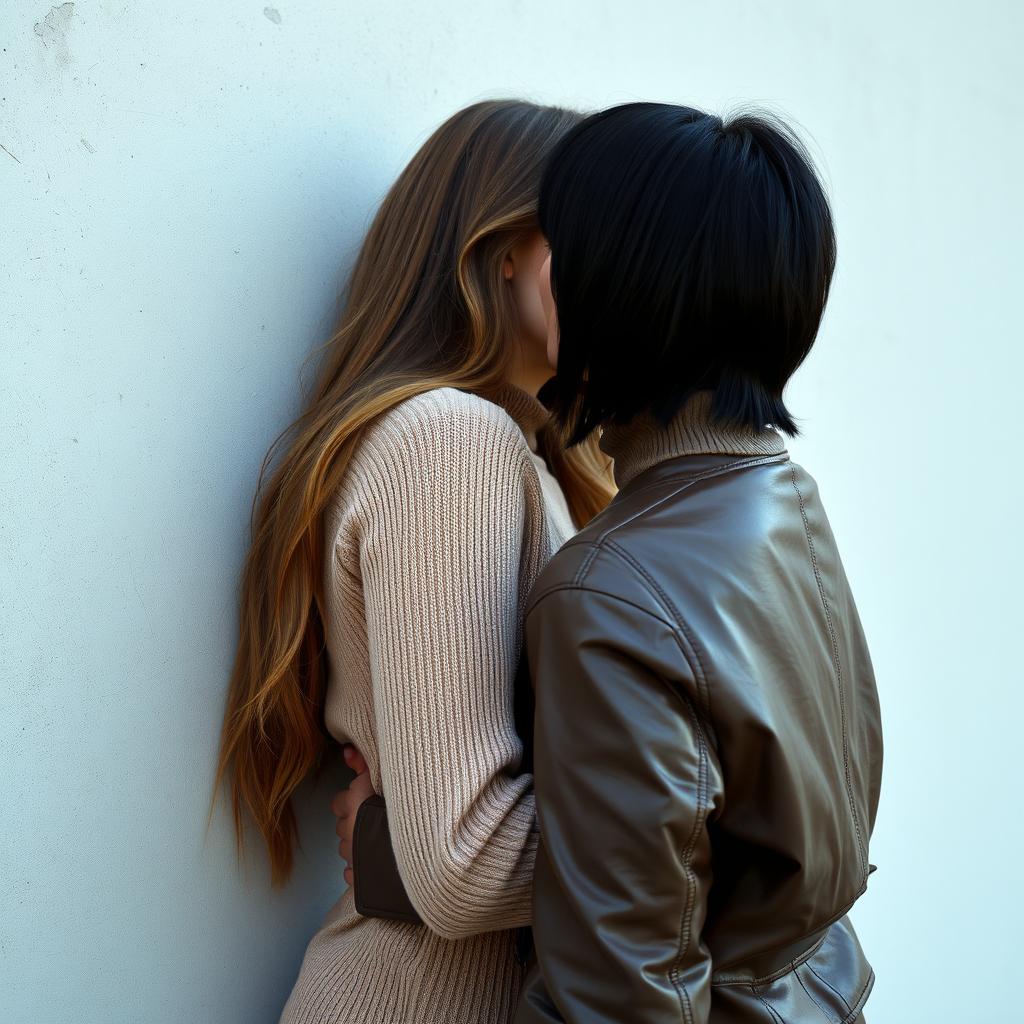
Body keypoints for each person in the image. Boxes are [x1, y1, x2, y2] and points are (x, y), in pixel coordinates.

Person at [341, 102, 884, 1023]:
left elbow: (695, 847)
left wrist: (388, 852)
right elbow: (763, 832)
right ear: (502, 249)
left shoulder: (624, 539)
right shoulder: (775, 500)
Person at [208, 99, 615, 1024]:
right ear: (502, 246)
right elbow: (465, 862)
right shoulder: (450, 444)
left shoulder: (514, 450)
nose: (623, 273)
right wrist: (729, 858)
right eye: (592, 237)